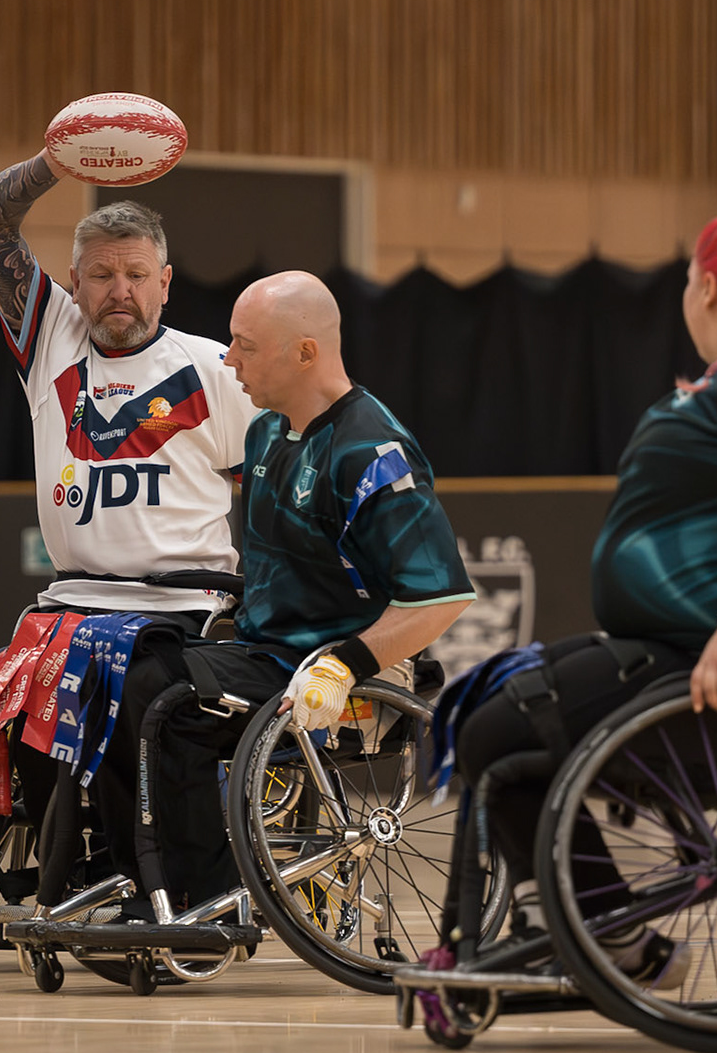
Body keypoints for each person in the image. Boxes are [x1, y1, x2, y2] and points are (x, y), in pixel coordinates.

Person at [448, 208, 717, 988]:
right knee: (495, 709)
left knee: (498, 733)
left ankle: (593, 931)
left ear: (706, 285)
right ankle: (589, 924)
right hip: (676, 648)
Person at [93, 270, 475, 906]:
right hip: (260, 651)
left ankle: (196, 899)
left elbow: (441, 597)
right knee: (112, 672)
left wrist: (344, 664)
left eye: (245, 345)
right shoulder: (264, 433)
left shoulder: (371, 452)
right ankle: (129, 875)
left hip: (323, 665)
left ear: (305, 353)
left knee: (160, 700)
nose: (228, 359)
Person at [0, 151, 253, 620]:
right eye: (101, 276)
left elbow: (276, 494)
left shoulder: (215, 367)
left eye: (137, 276)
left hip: (185, 609)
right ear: (75, 283)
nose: (121, 291)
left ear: (165, 283)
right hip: (70, 605)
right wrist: (56, 160)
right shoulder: (52, 338)